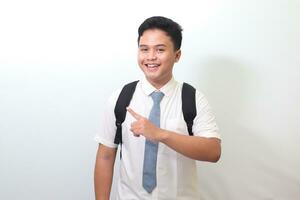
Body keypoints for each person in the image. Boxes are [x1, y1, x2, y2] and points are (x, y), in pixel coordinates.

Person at [94, 16, 221, 200]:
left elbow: (213, 151)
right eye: (144, 49)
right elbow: (105, 155)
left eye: (160, 50)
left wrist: (160, 134)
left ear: (177, 55)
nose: (151, 57)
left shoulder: (192, 98)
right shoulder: (120, 98)